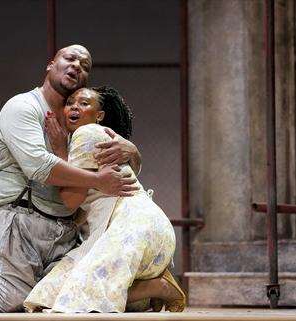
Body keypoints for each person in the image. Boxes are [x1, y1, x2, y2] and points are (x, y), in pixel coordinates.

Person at [0, 45, 142, 313]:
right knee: (10, 301)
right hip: (13, 219)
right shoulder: (22, 107)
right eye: (70, 58)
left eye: (84, 66)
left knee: (72, 295)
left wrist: (134, 153)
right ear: (50, 65)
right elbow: (39, 166)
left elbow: (116, 172)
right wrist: (96, 181)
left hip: (63, 229)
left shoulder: (81, 122)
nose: (76, 66)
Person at [23, 86, 186, 313]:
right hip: (150, 232)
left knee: (78, 299)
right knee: (52, 295)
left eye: (84, 103)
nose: (74, 107)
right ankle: (153, 289)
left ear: (99, 116)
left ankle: (158, 287)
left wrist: (59, 149)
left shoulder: (85, 133)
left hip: (134, 228)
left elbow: (71, 199)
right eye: (70, 102)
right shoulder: (103, 135)